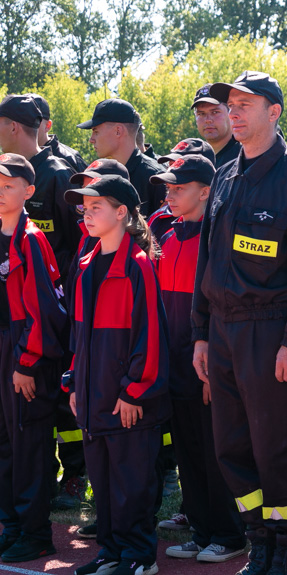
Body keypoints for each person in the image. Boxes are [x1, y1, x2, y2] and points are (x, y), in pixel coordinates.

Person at [191, 71, 287, 575]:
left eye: (245, 103)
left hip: (272, 330)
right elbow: (207, 263)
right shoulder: (227, 175)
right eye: (230, 102)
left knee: (278, 444)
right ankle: (259, 541)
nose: (233, 110)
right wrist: (200, 333)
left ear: (274, 112)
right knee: (232, 445)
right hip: (225, 333)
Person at [63, 175, 170, 575]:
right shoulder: (87, 263)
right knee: (105, 485)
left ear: (122, 213)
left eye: (96, 207)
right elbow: (80, 336)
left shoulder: (138, 266)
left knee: (132, 485)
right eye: (84, 208)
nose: (87, 215)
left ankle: (139, 557)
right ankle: (109, 552)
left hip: (127, 401)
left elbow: (151, 337)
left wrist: (134, 392)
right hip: (93, 397)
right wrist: (73, 382)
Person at [149, 155, 246, 563]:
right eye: (167, 188)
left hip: (207, 365)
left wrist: (215, 369)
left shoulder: (218, 236)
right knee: (188, 450)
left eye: (178, 187)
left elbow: (223, 307)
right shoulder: (167, 235)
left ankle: (229, 533)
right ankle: (202, 528)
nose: (169, 194)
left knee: (215, 450)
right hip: (173, 365)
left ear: (206, 191)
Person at [0, 153, 66, 563]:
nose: (0, 192)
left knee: (29, 445)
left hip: (24, 351)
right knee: (5, 444)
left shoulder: (31, 238)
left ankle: (36, 531)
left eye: (7, 185)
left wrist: (27, 363)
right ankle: (11, 525)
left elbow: (46, 311)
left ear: (28, 191)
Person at [0, 95, 78, 278]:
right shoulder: (3, 173)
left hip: (50, 295)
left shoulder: (58, 175)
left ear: (13, 127)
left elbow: (82, 243)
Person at [77, 99, 166, 217]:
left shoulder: (155, 178)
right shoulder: (102, 175)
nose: (91, 139)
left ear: (118, 131)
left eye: (96, 131)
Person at [148, 138, 217, 244]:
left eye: (180, 163)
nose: (172, 169)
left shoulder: (220, 231)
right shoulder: (159, 219)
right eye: (170, 164)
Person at [27, 94, 87, 172]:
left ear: (48, 126)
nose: (26, 126)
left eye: (33, 122)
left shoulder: (70, 158)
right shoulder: (16, 156)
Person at [192, 84, 242, 168]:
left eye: (215, 112)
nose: (208, 120)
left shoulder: (244, 156)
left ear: (230, 113)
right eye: (201, 114)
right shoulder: (193, 160)